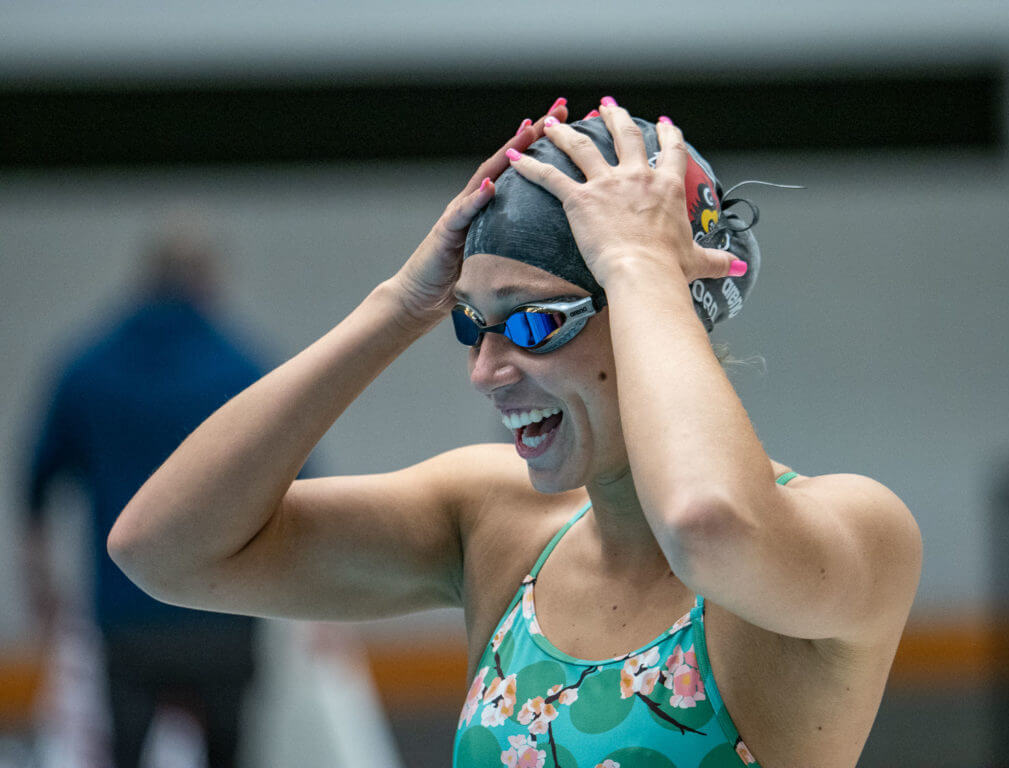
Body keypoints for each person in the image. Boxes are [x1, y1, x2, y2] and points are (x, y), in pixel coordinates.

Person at [107, 98, 923, 768]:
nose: (487, 370)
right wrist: (399, 306)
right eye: (474, 326)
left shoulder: (852, 531)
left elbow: (707, 529)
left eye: (535, 323)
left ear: (662, 304)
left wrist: (638, 263)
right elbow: (163, 549)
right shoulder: (496, 523)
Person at [24, 218, 266, 768]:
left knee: (126, 749)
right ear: (208, 282)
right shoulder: (243, 366)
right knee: (228, 751)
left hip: (127, 610)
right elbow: (298, 484)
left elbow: (35, 487)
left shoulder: (86, 367)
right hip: (224, 609)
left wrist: (42, 586)